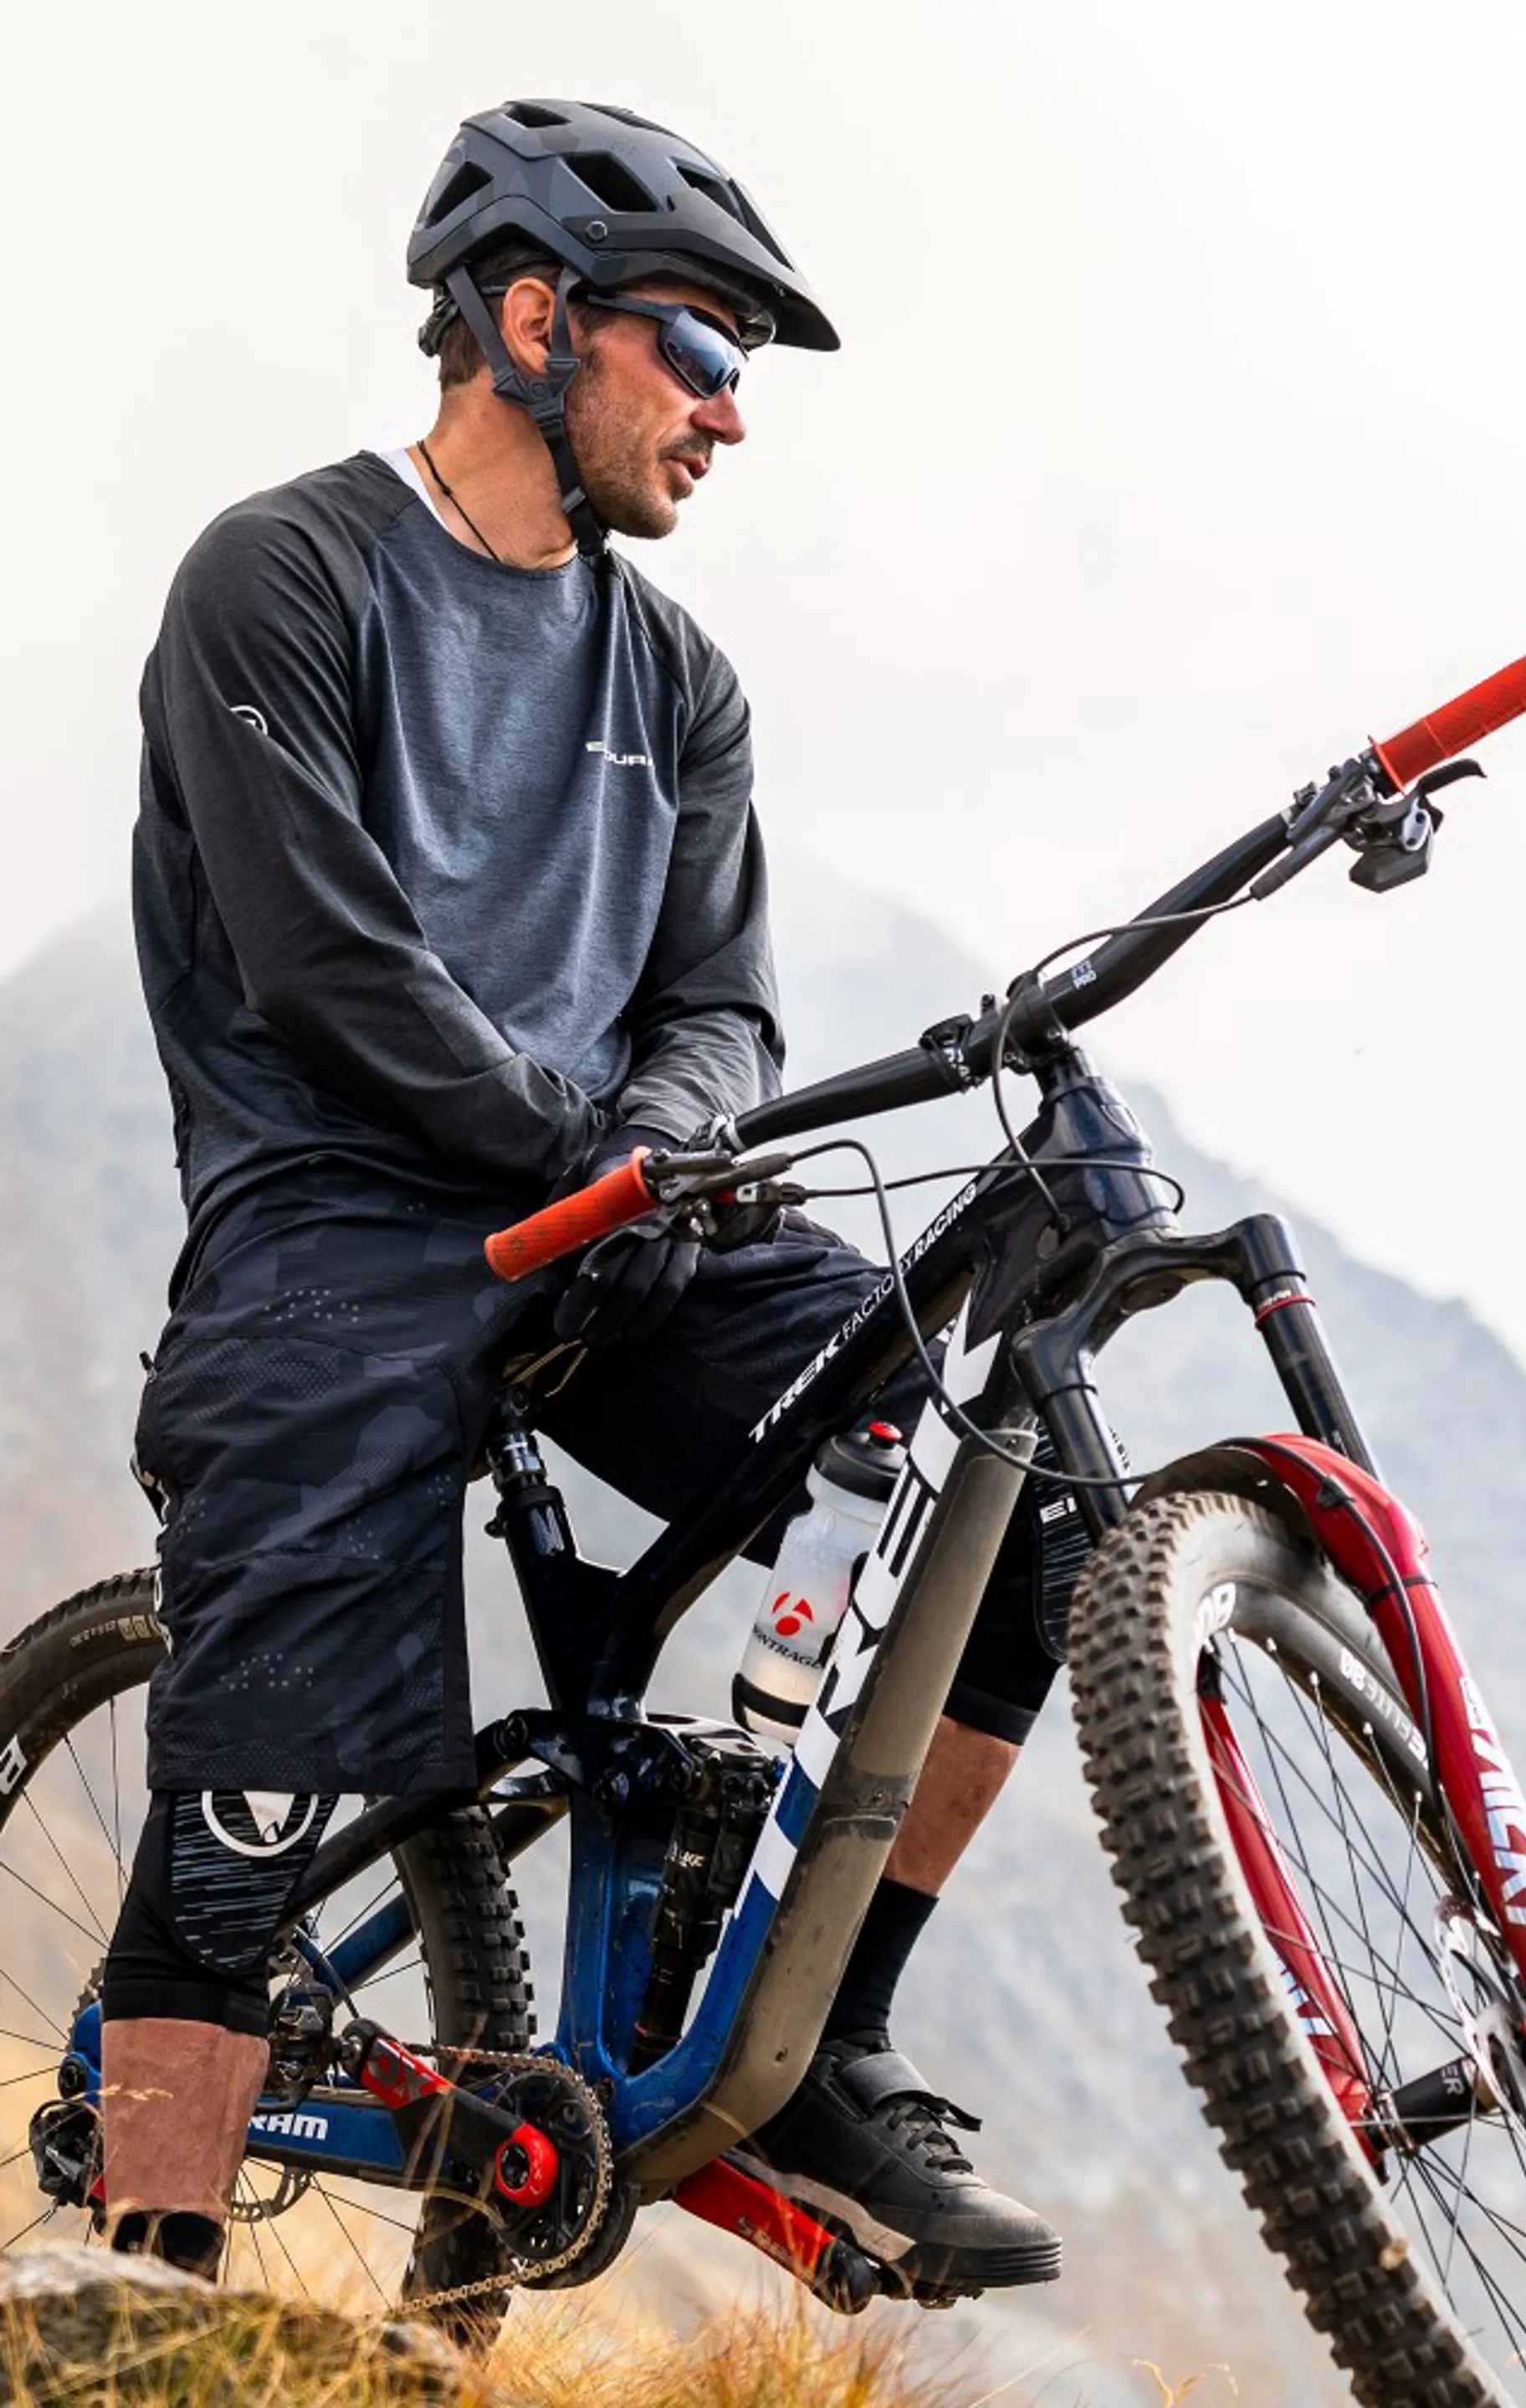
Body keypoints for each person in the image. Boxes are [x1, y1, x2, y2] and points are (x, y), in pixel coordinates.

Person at [102, 98, 1065, 2300]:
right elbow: (325, 961)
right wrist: (586, 1153)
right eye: (699, 350)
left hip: (626, 1217)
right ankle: (146, 2247)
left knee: (1008, 1506)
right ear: (532, 322)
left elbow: (720, 1005)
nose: (731, 413)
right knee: (264, 1748)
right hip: (343, 1215)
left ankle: (825, 2042)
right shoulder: (283, 572)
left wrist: (670, 1158)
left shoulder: (681, 680)